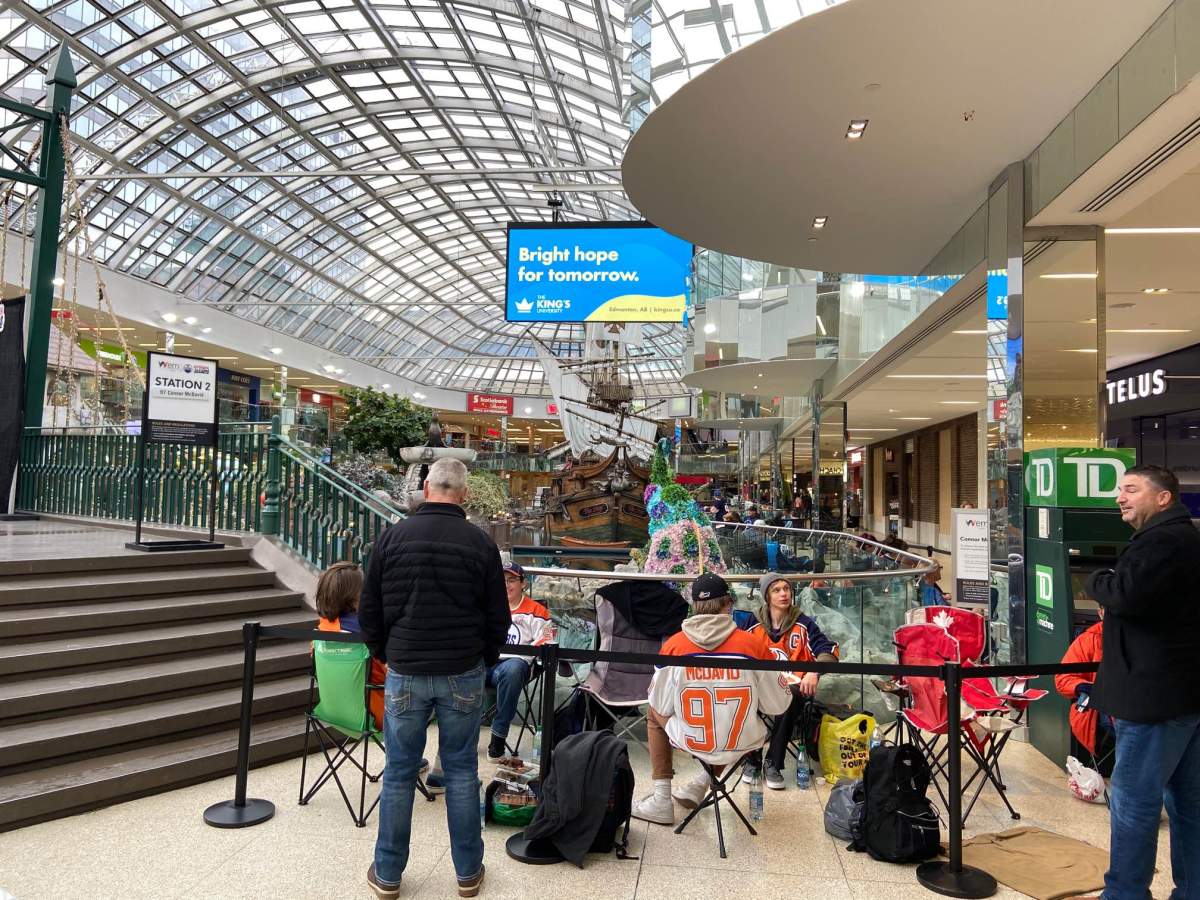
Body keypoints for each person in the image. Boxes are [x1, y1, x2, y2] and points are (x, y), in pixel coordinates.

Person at [359, 457, 511, 900]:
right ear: (463, 494)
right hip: (461, 670)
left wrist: (388, 653)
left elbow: (370, 610)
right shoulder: (481, 544)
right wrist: (482, 658)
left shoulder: (392, 537)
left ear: (426, 488)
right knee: (462, 771)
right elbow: (498, 617)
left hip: (405, 669)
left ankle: (387, 874)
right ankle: (467, 872)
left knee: (399, 773)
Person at [1086, 464, 1200, 900]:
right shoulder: (1184, 539)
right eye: (1120, 490)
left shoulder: (1163, 541)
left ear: (1163, 497)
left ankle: (1124, 894)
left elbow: (1125, 593)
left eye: (1131, 489)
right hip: (1182, 696)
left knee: (1133, 805)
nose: (1120, 497)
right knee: (1188, 805)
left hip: (1152, 701)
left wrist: (1099, 582)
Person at [631, 573, 790, 825]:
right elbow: (778, 705)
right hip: (742, 743)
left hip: (693, 741)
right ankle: (702, 783)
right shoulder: (753, 646)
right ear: (728, 604)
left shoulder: (675, 646)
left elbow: (661, 704)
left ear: (695, 607)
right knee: (732, 720)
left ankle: (661, 799)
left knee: (653, 711)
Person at [733, 573, 839, 789]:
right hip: (759, 686)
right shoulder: (751, 623)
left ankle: (773, 761)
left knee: (789, 696)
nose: (784, 594)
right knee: (746, 694)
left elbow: (828, 650)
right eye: (776, 590)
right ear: (767, 596)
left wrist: (814, 671)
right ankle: (752, 759)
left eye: (786, 589)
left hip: (793, 687)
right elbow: (735, 650)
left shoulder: (804, 624)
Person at [486, 561, 553, 759]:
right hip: (487, 662)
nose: (506, 584)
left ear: (523, 583)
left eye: (512, 580)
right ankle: (461, 737)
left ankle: (497, 740)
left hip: (515, 666)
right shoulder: (488, 608)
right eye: (502, 580)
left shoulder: (536, 610)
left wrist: (526, 654)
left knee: (513, 669)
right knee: (464, 666)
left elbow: (547, 638)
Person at [314, 561, 387, 730]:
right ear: (356, 595)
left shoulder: (320, 631)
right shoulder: (368, 634)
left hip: (333, 710)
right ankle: (408, 757)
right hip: (376, 712)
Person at [1054, 611, 1112, 771]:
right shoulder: (1090, 639)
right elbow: (1063, 678)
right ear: (1100, 613)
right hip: (1100, 711)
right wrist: (1082, 686)